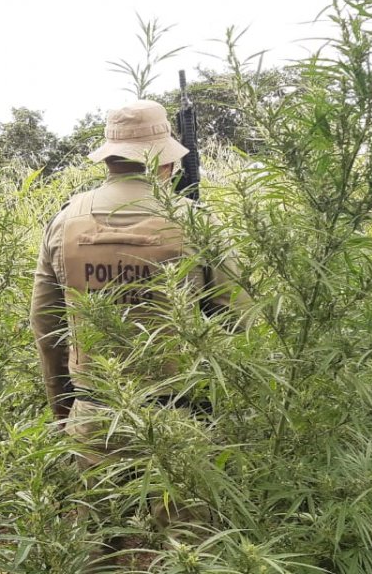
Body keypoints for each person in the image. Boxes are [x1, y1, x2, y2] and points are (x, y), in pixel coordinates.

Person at [30, 99, 244, 569]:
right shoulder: (198, 222)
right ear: (167, 159)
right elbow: (240, 322)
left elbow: (46, 326)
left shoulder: (65, 220)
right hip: (179, 417)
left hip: (94, 413)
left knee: (96, 551)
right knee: (190, 552)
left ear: (108, 157)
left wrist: (65, 410)